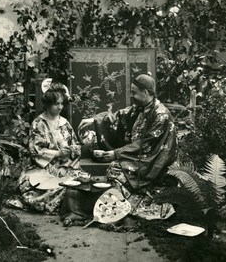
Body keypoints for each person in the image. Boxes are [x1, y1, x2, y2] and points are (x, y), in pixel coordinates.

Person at [60, 74, 178, 224]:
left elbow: (146, 144)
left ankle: (117, 209)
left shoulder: (161, 115)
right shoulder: (139, 108)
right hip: (137, 155)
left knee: (118, 172)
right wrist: (94, 121)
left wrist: (115, 154)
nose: (131, 95)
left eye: (134, 92)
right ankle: (104, 208)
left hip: (153, 161)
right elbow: (119, 117)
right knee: (114, 170)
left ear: (146, 92)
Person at [18, 79, 83, 213]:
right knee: (40, 186)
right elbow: (36, 150)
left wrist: (65, 165)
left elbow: (75, 147)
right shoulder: (38, 124)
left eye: (61, 104)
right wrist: (58, 154)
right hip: (43, 166)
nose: (60, 107)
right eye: (55, 104)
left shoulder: (65, 123)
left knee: (78, 182)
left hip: (67, 165)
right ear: (47, 105)